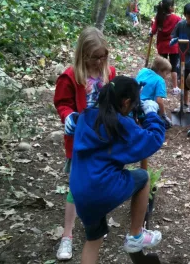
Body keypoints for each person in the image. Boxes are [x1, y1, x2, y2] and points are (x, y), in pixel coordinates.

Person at [70, 76, 165, 264]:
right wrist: (152, 114)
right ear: (126, 102)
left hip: (80, 193)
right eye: (133, 105)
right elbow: (152, 139)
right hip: (101, 188)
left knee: (93, 239)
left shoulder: (85, 116)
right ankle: (136, 235)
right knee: (143, 178)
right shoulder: (119, 124)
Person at [54, 27, 116, 261]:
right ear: (83, 55)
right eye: (95, 57)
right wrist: (68, 116)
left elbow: (111, 102)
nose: (99, 61)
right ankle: (67, 236)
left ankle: (96, 225)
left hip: (103, 138)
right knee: (76, 188)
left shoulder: (109, 71)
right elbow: (62, 103)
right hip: (80, 141)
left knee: (101, 181)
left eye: (103, 56)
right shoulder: (71, 76)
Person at [151, 0, 182, 95]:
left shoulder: (159, 17)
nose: (174, 7)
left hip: (162, 45)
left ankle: (160, 85)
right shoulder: (177, 18)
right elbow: (182, 28)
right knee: (174, 66)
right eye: (173, 5)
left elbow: (153, 30)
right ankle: (175, 87)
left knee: (162, 66)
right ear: (170, 8)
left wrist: (151, 29)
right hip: (173, 45)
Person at [136, 56, 173, 129]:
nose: (166, 76)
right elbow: (159, 100)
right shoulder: (160, 80)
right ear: (160, 71)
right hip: (146, 106)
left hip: (133, 101)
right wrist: (163, 115)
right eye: (166, 73)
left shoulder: (143, 71)